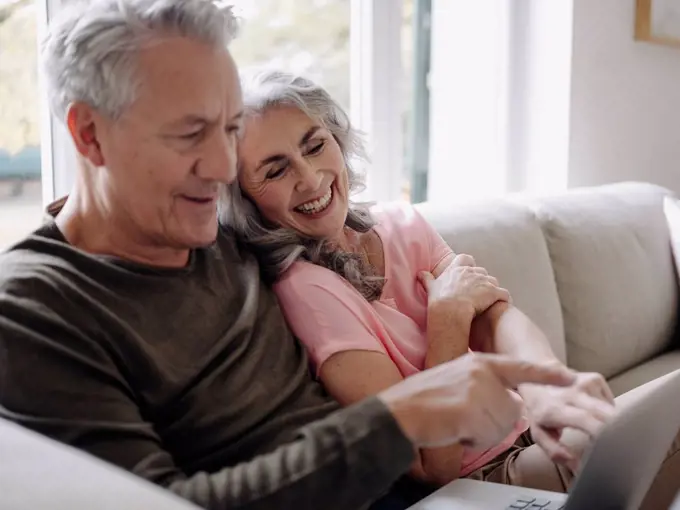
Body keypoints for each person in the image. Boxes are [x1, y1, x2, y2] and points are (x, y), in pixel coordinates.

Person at [0, 2, 585, 510]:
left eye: (229, 130)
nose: (225, 168)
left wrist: (546, 384)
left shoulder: (226, 234)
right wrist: (398, 419)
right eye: (188, 134)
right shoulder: (33, 309)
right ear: (89, 134)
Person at [222, 70, 680, 508]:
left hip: (527, 433)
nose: (310, 176)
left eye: (315, 145)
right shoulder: (307, 292)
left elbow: (494, 314)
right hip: (485, 480)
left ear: (338, 141)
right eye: (275, 171)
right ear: (246, 199)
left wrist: (547, 391)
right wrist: (447, 318)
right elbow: (432, 465)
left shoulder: (399, 224)